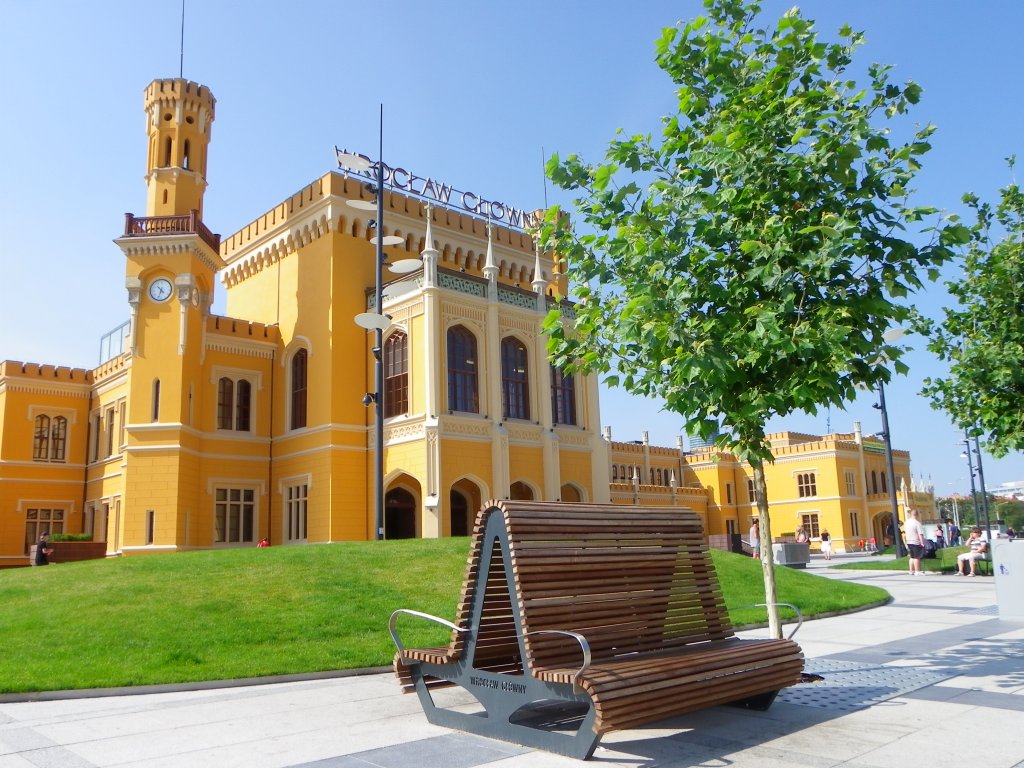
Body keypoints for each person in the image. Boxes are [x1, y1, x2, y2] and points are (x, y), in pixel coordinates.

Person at [904, 508, 925, 575]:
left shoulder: (906, 522)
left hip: (909, 541)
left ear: (911, 514)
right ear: (917, 515)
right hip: (915, 541)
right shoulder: (917, 523)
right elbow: (920, 534)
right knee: (917, 557)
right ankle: (917, 571)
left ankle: (911, 570)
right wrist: (922, 542)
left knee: (912, 557)